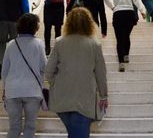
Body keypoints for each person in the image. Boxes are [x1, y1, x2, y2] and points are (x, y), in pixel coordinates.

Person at [45, 8, 108, 138]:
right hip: (84, 100)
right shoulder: (94, 44)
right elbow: (101, 73)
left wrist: (55, 84)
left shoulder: (59, 42)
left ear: (68, 23)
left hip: (62, 98)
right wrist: (104, 95)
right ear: (89, 23)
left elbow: (48, 71)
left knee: (74, 133)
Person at [1, 13, 46, 138]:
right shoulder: (39, 44)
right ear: (35, 27)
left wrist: (4, 89)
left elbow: (4, 71)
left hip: (12, 91)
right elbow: (44, 67)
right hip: (32, 91)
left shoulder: (11, 44)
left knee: (14, 127)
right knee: (30, 126)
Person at [104, 0, 146, 72]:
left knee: (119, 39)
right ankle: (126, 55)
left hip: (118, 13)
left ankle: (121, 62)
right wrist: (142, 10)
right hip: (129, 13)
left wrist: (112, 7)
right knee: (126, 36)